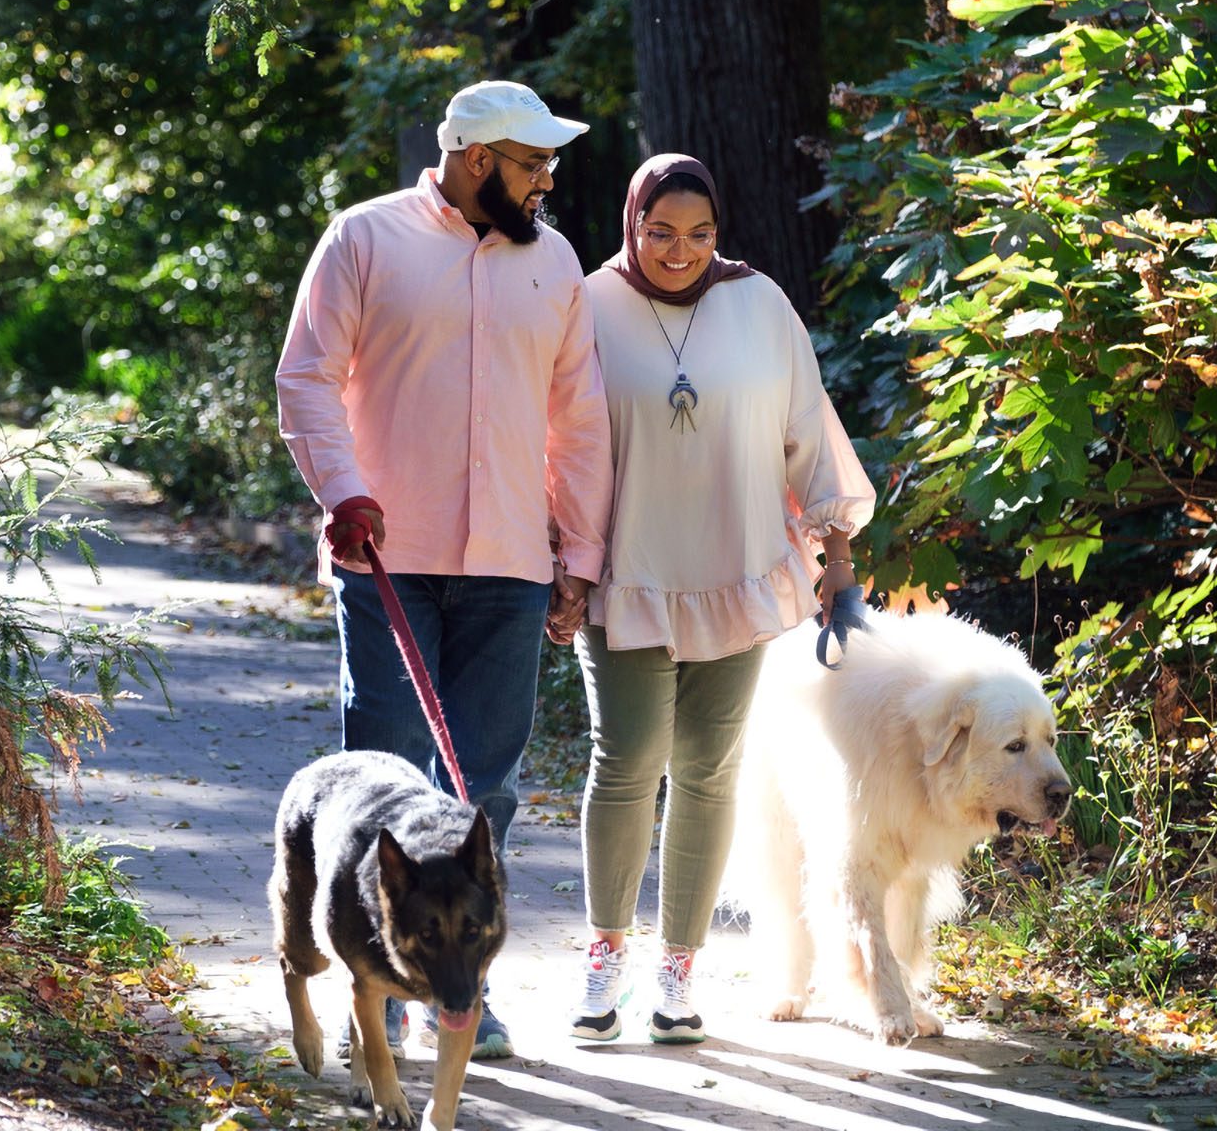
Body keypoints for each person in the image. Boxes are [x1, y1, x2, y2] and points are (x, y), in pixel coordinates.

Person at [276, 79, 614, 1060]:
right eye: (534, 162)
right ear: (477, 161)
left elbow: (579, 418)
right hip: (387, 556)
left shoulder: (553, 261)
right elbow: (306, 376)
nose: (549, 179)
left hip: (509, 562)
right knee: (379, 787)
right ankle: (374, 994)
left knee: (482, 790)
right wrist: (342, 490)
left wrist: (577, 554)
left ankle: (457, 992)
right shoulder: (365, 239)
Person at [554, 153, 875, 1045]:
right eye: (661, 232)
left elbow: (807, 429)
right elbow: (561, 441)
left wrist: (836, 556)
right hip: (631, 570)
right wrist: (565, 563)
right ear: (633, 225)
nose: (680, 251)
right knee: (625, 761)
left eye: (699, 234)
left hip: (740, 569)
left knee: (708, 771)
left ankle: (678, 972)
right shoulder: (589, 304)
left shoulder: (760, 303)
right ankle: (604, 957)